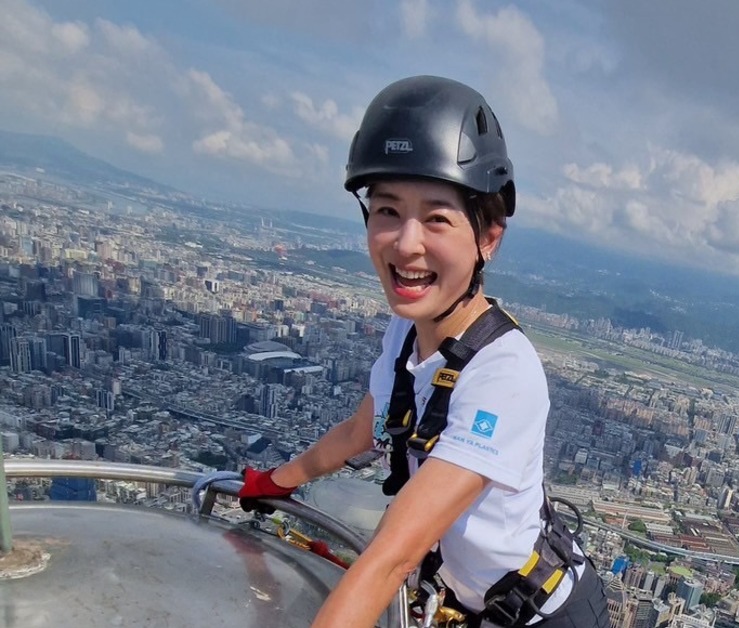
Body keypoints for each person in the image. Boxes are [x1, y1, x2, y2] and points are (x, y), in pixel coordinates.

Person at [237, 76, 611, 627]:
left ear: (488, 237)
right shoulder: (406, 332)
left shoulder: (503, 375)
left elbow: (394, 555)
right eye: (387, 211)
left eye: (437, 217)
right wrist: (277, 481)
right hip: (471, 608)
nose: (406, 243)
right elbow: (362, 430)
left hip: (544, 617)